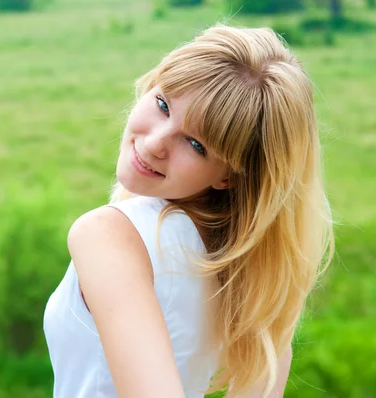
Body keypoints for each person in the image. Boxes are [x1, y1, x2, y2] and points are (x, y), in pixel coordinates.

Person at [43, 23, 334, 398]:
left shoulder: (110, 235)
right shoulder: (247, 272)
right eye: (163, 105)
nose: (154, 144)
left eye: (196, 144)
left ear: (229, 177)